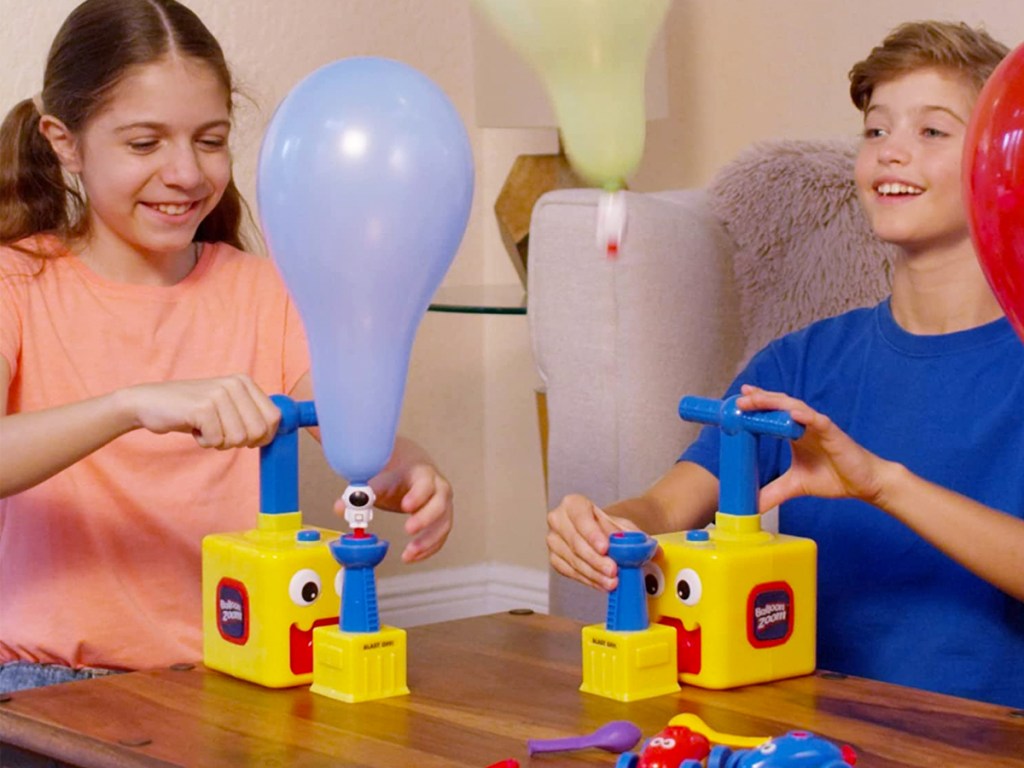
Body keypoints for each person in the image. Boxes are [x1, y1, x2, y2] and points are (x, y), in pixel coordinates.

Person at [547, 20, 1024, 708]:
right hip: (808, 733)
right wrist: (606, 526)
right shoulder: (802, 363)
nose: (891, 153)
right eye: (876, 130)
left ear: (999, 163)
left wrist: (882, 483)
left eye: (931, 132)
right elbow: (666, 503)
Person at [0, 0, 453, 694]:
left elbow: (342, 417)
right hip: (50, 685)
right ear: (65, 142)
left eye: (209, 140)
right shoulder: (18, 282)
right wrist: (129, 405)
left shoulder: (269, 289)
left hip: (239, 678)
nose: (185, 173)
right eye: (145, 144)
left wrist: (409, 468)